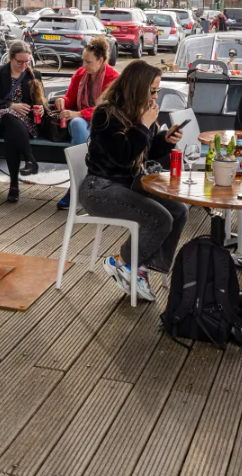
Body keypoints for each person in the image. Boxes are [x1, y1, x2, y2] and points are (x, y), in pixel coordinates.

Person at [82, 60, 186, 302]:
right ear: (138, 87)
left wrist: (164, 140)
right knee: (160, 219)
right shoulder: (106, 114)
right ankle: (124, 262)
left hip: (127, 186)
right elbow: (122, 157)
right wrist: (145, 124)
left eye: (157, 90)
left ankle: (140, 266)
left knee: (179, 211)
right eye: (153, 90)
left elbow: (144, 152)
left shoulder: (137, 110)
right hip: (100, 188)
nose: (156, 96)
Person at [54, 36, 119, 208]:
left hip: (104, 124)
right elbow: (70, 97)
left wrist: (80, 113)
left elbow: (109, 109)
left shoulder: (113, 78)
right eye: (83, 60)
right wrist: (62, 100)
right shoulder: (80, 74)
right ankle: (83, 181)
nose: (84, 65)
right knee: (76, 124)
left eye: (88, 62)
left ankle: (77, 187)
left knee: (77, 123)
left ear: (101, 61)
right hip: (82, 125)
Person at [0, 42, 44, 204]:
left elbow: (41, 102)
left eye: (27, 61)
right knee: (10, 116)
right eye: (20, 62)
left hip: (24, 123)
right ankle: (30, 159)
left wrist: (41, 110)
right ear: (11, 58)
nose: (24, 65)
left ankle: (14, 186)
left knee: (13, 134)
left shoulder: (34, 74)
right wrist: (11, 105)